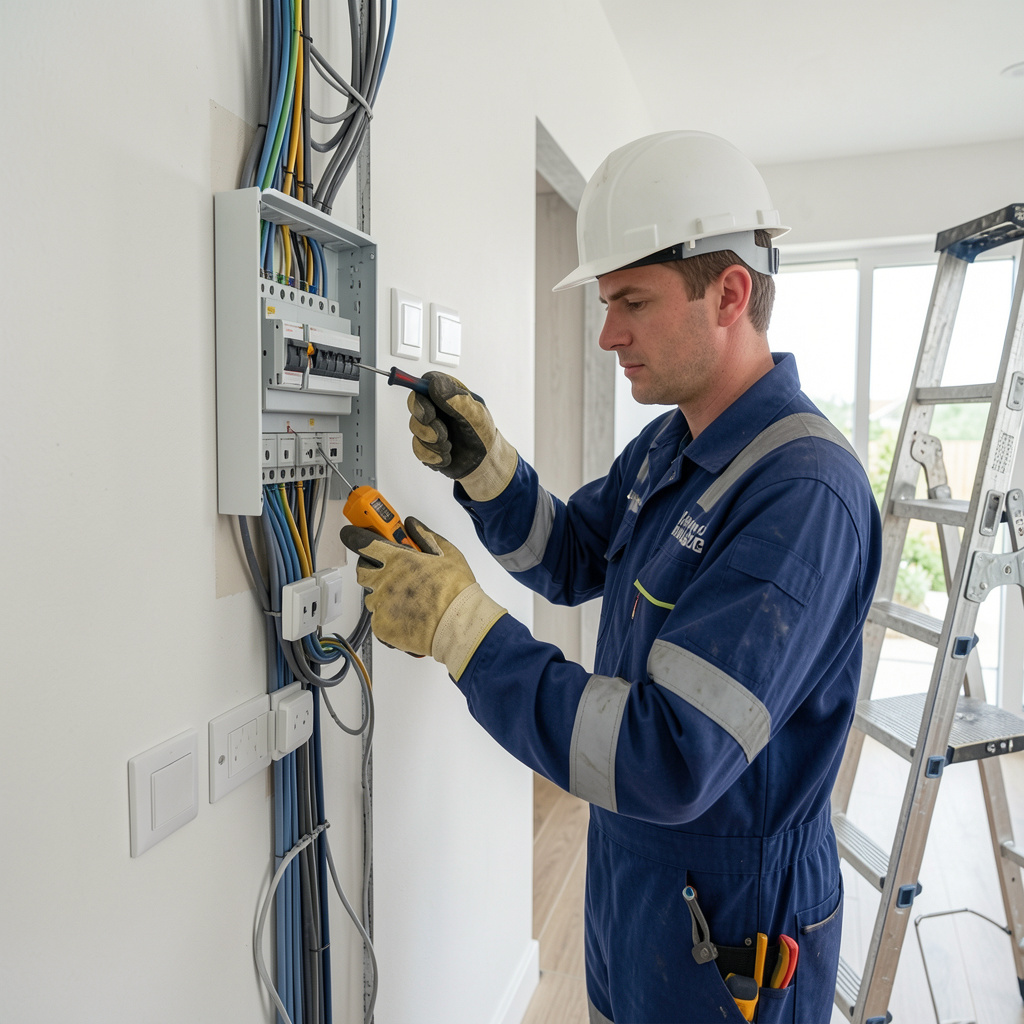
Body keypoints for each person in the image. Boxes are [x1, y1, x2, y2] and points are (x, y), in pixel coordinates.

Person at [341, 130, 882, 1024]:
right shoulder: (676, 442)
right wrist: (489, 470)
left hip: (735, 931)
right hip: (638, 891)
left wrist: (460, 629)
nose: (607, 334)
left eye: (631, 301)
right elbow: (571, 557)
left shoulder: (803, 494)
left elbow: (670, 758)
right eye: (605, 302)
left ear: (730, 294)